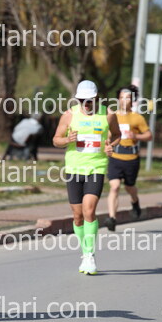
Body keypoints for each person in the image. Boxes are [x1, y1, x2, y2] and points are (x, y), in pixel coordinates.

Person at [53, 80, 121, 275]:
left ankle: (90, 255)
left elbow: (117, 134)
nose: (86, 104)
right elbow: (56, 139)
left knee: (89, 210)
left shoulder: (108, 114)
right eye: (82, 100)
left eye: (89, 100)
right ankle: (84, 252)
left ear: (96, 98)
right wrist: (67, 140)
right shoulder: (69, 115)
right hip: (74, 168)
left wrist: (111, 146)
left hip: (96, 168)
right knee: (77, 215)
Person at [106, 85, 152, 231]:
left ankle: (135, 201)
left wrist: (136, 136)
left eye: (127, 98)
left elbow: (149, 135)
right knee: (114, 187)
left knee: (129, 187)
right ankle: (112, 218)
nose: (124, 100)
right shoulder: (113, 116)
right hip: (115, 157)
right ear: (117, 99)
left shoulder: (137, 118)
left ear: (132, 100)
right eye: (121, 97)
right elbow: (107, 134)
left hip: (131, 158)